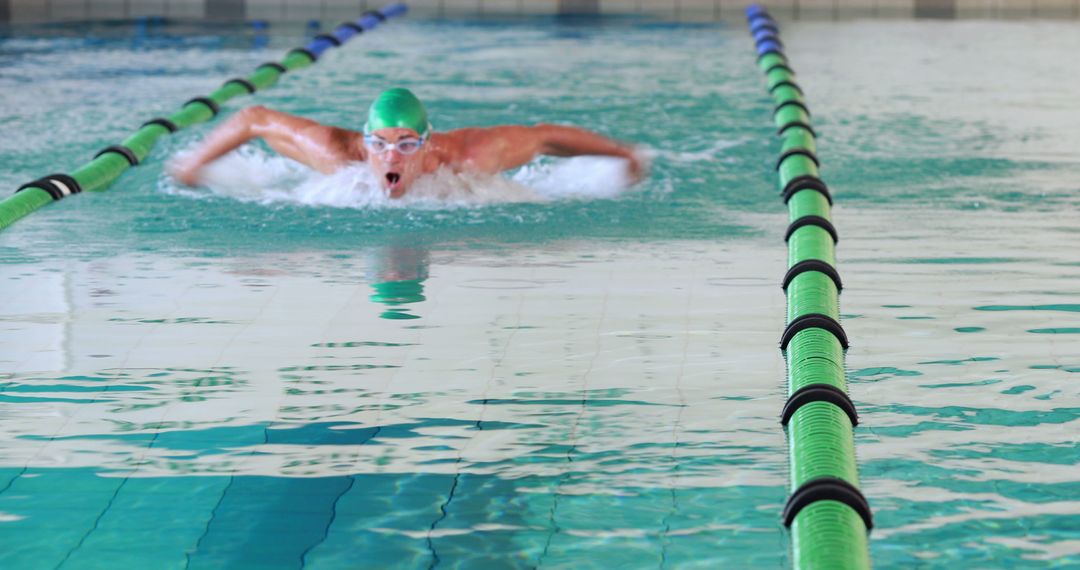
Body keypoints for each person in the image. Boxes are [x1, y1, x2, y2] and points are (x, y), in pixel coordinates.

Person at [170, 87, 644, 198]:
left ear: (428, 143)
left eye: (407, 144)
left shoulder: (466, 158)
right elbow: (254, 117)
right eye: (380, 144)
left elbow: (545, 138)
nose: (391, 156)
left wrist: (623, 154)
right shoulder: (336, 154)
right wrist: (194, 163)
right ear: (364, 141)